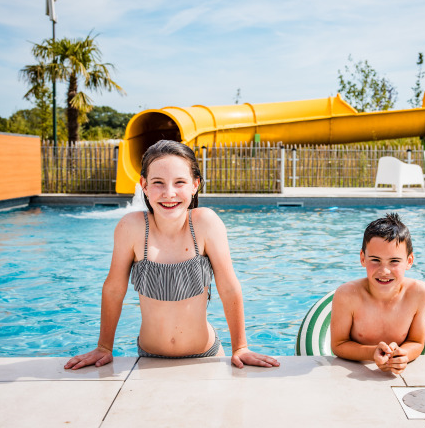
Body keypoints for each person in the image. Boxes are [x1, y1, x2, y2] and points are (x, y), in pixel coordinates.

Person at [65, 140, 279, 370]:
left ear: (195, 184)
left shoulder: (205, 223)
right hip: (149, 357)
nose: (169, 193)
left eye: (180, 182)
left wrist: (241, 347)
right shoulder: (132, 228)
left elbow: (228, 286)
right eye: (158, 183)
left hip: (205, 355)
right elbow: (114, 289)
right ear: (144, 185)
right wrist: (104, 347)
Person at [330, 213, 425, 374]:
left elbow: (416, 342)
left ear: (409, 261)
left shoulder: (419, 293)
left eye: (394, 261)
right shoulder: (347, 295)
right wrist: (371, 352)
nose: (384, 271)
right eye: (375, 260)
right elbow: (338, 344)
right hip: (354, 372)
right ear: (363, 258)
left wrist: (403, 356)